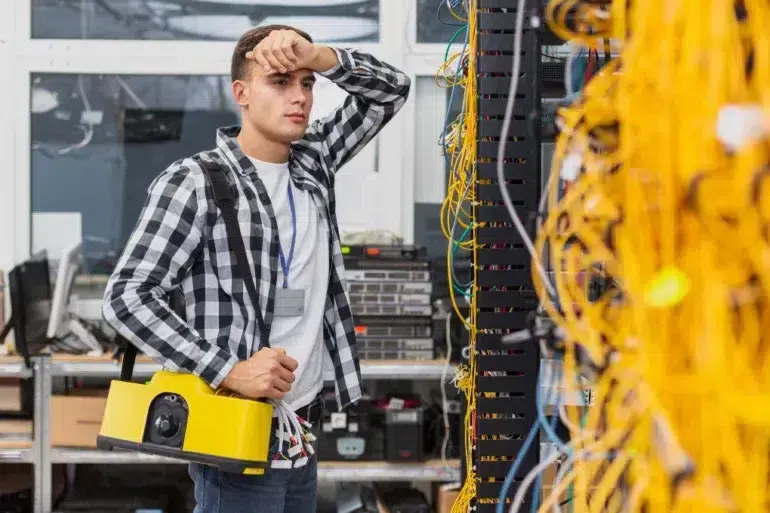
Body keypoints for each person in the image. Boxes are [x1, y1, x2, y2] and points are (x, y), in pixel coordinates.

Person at [102, 25, 411, 512]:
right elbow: (127, 297)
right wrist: (230, 370)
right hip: (235, 425)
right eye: (281, 82)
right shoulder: (197, 181)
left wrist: (320, 55)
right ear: (241, 94)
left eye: (307, 83)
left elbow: (391, 89)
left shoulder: (315, 162)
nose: (301, 97)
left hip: (299, 423)